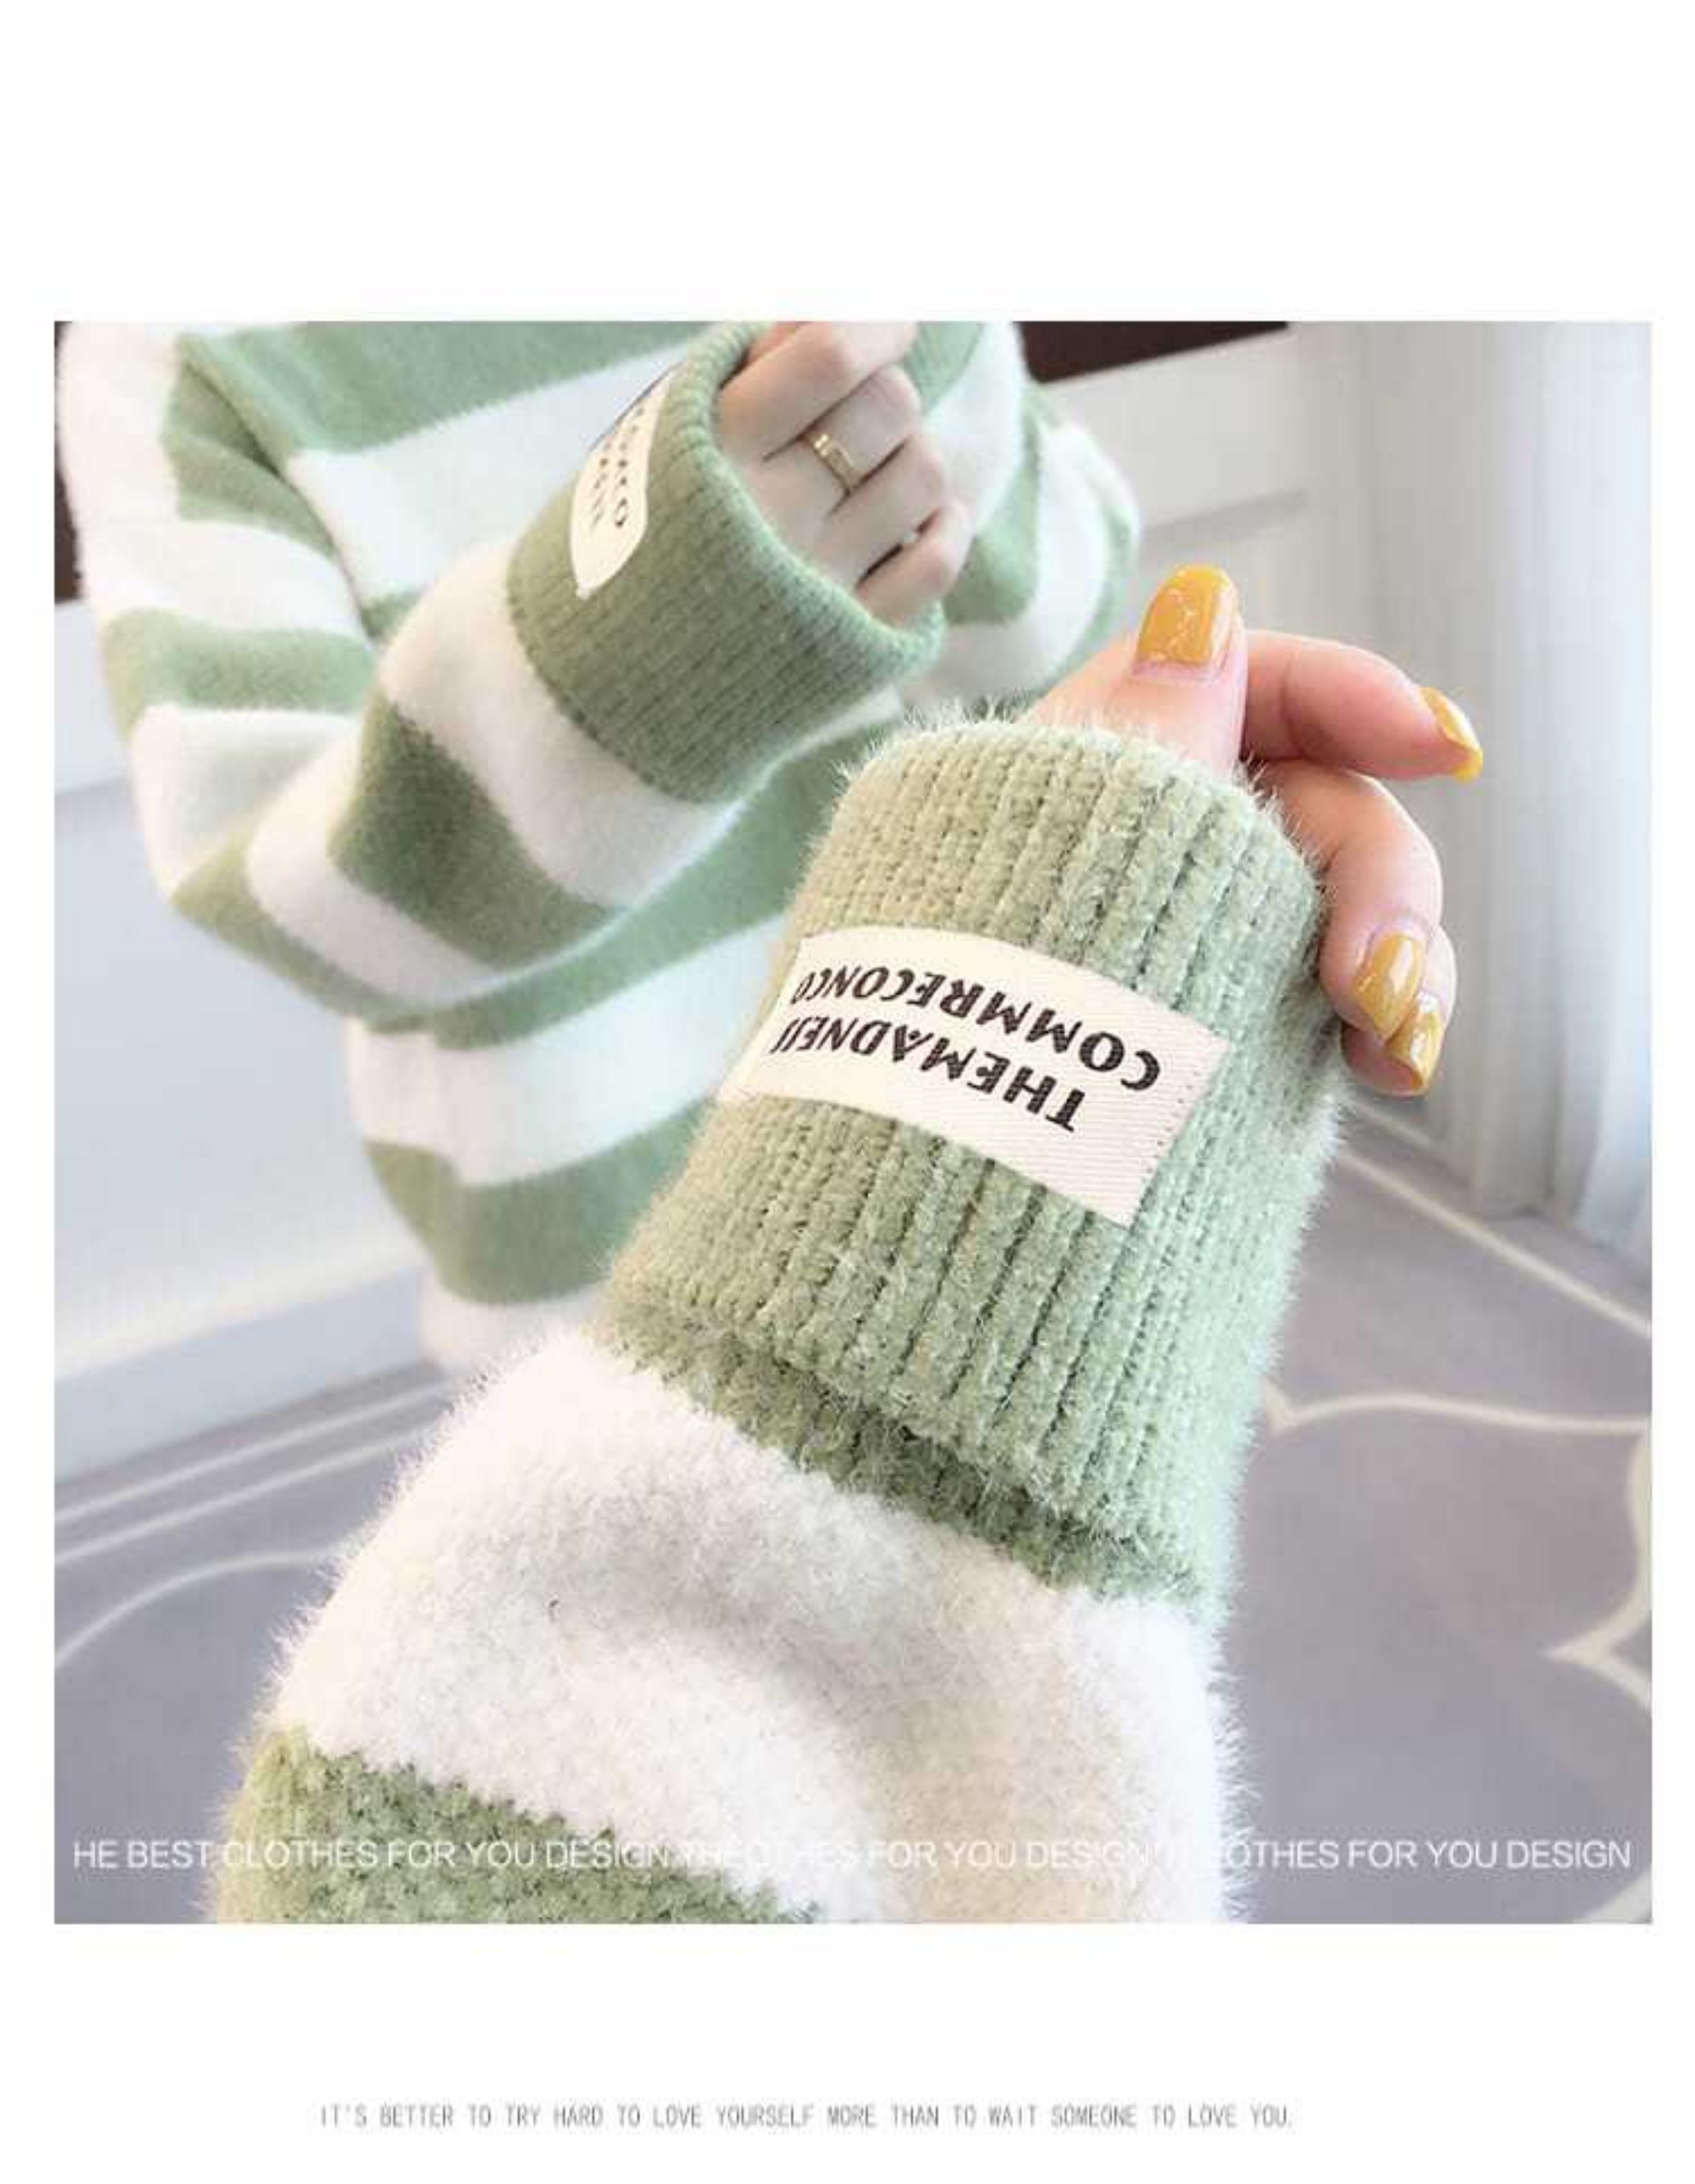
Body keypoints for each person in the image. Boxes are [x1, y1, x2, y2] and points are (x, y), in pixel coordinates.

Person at [214, 562, 1476, 1920]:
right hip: (577, 1151)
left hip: (859, 1025)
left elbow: (1049, 585)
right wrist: (692, 572)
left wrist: (1091, 957)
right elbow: (288, 881)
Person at [57, 320, 1146, 1370]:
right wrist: (666, 629)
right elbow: (313, 910)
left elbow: (1073, 661)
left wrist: (922, 364)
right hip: (630, 1276)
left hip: (1019, 1136)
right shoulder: (179, 352)